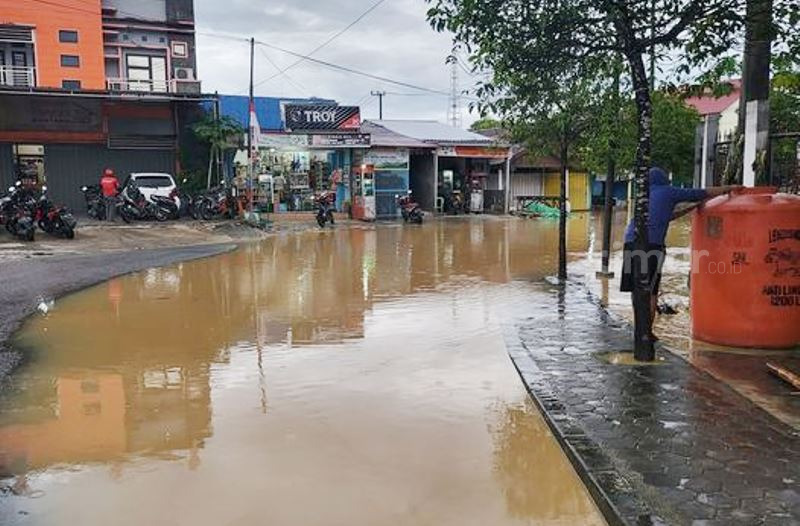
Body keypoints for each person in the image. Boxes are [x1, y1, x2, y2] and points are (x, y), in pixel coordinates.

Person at [620, 167, 740, 337]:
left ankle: (639, 328)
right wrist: (729, 188)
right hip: (651, 245)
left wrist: (687, 210)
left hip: (630, 241)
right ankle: (646, 333)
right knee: (651, 290)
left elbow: (664, 217)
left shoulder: (644, 196)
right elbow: (701, 192)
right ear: (664, 181)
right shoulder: (668, 192)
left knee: (636, 288)